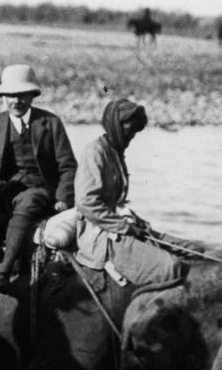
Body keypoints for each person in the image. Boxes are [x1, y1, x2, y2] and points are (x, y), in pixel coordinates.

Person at [0, 64, 76, 289]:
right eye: (10, 96)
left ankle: (5, 269)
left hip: (39, 188)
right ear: (2, 97)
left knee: (28, 202)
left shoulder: (51, 123)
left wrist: (63, 198)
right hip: (8, 185)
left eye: (22, 95)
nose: (16, 101)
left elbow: (68, 166)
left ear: (32, 96)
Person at [74, 98, 183, 286]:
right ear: (115, 127)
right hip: (99, 236)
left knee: (189, 249)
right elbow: (86, 202)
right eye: (128, 131)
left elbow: (118, 202)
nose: (131, 137)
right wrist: (124, 227)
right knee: (169, 267)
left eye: (134, 132)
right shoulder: (95, 152)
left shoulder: (116, 152)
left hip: (118, 226)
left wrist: (133, 222)